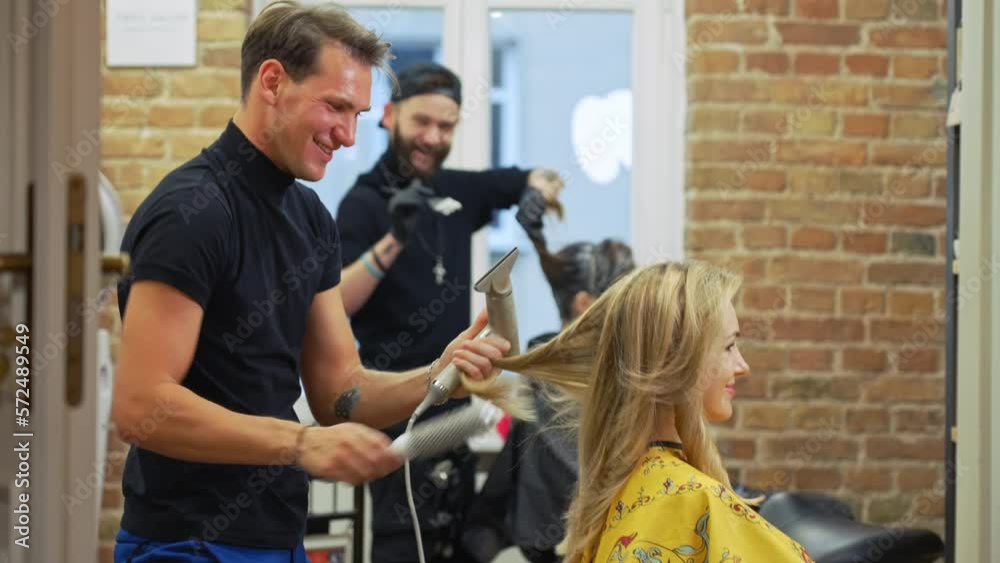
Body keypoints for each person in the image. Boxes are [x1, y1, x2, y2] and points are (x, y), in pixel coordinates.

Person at [109, 3, 510, 562]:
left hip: (276, 534)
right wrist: (299, 443)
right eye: (335, 107)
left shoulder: (311, 218)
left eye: (358, 114)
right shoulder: (191, 214)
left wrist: (440, 375)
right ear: (272, 81)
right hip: (187, 541)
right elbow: (140, 405)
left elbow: (339, 392)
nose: (348, 135)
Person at [332, 61, 565, 562]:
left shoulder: (458, 190)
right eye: (422, 122)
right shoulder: (363, 204)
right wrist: (393, 239)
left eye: (446, 126)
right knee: (402, 546)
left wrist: (535, 196)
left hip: (455, 407)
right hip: (392, 409)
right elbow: (338, 304)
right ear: (389, 115)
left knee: (454, 543)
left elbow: (545, 175)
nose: (433, 137)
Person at [468, 261, 815, 563]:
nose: (742, 365)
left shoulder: (610, 493)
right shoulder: (691, 502)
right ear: (676, 360)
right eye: (728, 346)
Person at [462, 239, 636, 563]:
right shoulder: (552, 380)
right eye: (624, 299)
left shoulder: (612, 372)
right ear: (584, 302)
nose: (634, 311)